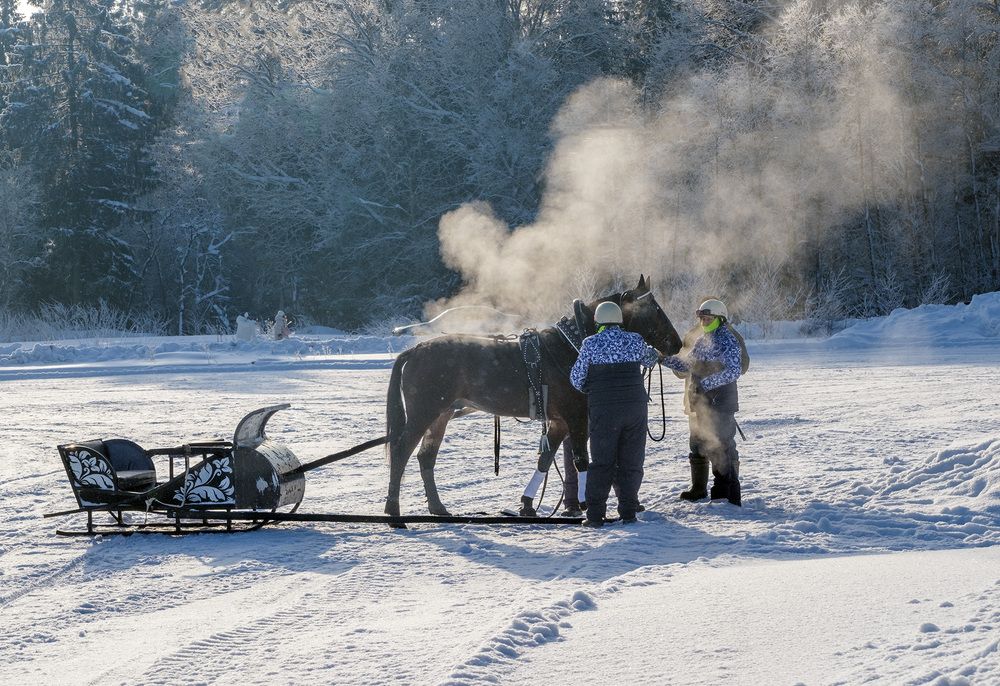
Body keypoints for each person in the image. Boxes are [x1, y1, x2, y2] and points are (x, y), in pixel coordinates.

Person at [571, 301, 659, 527]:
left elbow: (576, 378)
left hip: (605, 411)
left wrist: (595, 390)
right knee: (631, 461)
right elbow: (651, 359)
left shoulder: (590, 343)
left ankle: (595, 516)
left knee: (602, 462)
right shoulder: (635, 339)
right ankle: (629, 512)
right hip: (635, 409)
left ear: (598, 321)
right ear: (619, 320)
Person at [662, 298, 748, 506]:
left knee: (723, 446)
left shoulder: (728, 339)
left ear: (720, 318)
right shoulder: (703, 340)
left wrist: (707, 384)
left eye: (707, 318)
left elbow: (735, 370)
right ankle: (715, 492)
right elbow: (685, 364)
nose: (703, 322)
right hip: (703, 405)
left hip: (721, 403)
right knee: (706, 445)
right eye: (701, 318)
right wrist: (661, 358)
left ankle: (728, 493)